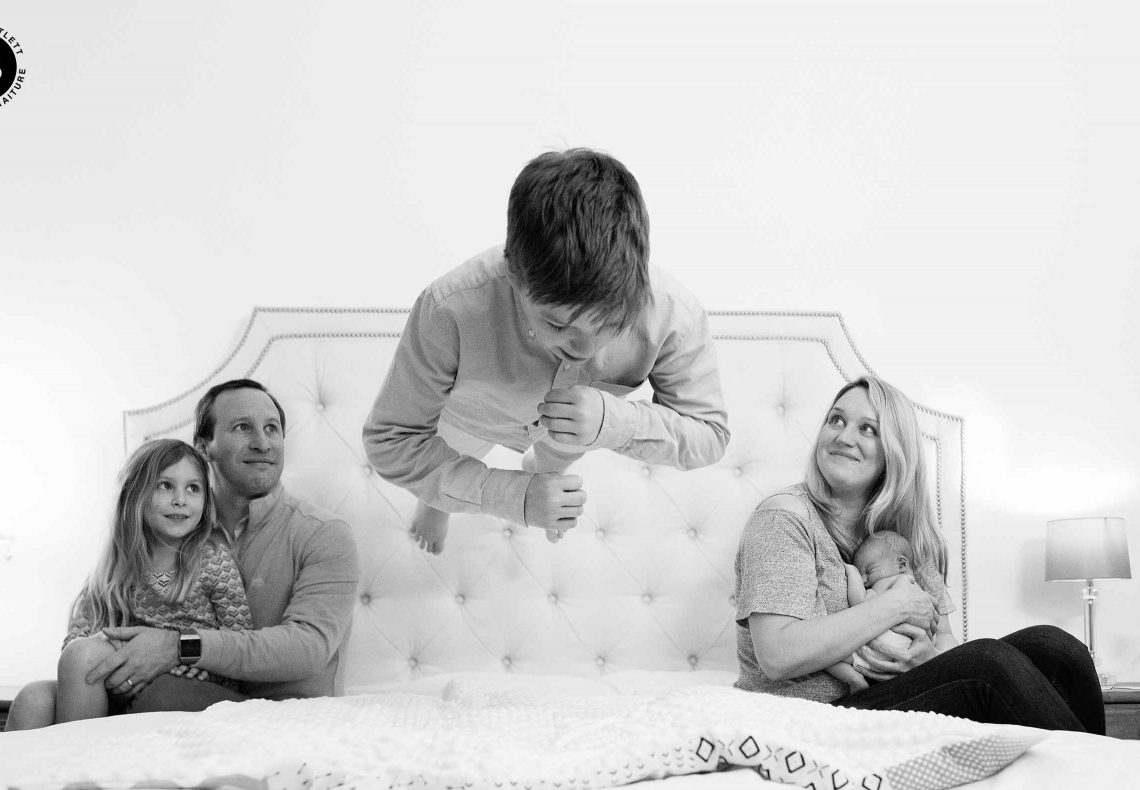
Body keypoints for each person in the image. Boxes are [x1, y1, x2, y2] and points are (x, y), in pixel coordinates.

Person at [363, 148, 730, 554]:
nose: (584, 348)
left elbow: (710, 435)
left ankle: (543, 473)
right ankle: (439, 504)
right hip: (472, 418)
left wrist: (614, 421)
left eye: (610, 322)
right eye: (557, 324)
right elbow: (390, 439)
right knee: (456, 456)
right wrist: (514, 497)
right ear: (512, 275)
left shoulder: (676, 315)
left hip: (578, 432)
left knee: (558, 458)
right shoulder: (448, 307)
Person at [734, 375, 1105, 733]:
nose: (844, 436)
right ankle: (1099, 782)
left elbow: (944, 639)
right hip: (815, 713)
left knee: (1057, 649)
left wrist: (928, 660)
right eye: (836, 419)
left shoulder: (903, 533)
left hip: (891, 693)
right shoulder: (784, 517)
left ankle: (1088, 778)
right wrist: (893, 607)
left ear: (895, 451)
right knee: (987, 664)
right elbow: (777, 655)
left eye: (868, 428)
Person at [7, 379, 360, 729]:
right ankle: (34, 782)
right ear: (205, 445)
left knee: (161, 698)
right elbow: (99, 610)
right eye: (243, 427)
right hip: (140, 685)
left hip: (272, 712)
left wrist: (177, 647)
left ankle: (81, 771)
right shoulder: (171, 527)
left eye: (272, 428)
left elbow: (308, 649)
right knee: (34, 699)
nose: (263, 443)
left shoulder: (323, 534)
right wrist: (112, 655)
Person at [41, 439, 254, 724]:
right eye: (165, 485)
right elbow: (74, 644)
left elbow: (238, 647)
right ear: (134, 494)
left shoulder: (213, 562)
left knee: (84, 657)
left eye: (193, 488)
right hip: (119, 683)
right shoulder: (113, 570)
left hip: (197, 685)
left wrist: (157, 668)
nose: (181, 499)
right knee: (34, 699)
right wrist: (121, 660)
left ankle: (79, 764)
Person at [824, 530, 916, 692]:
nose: (865, 580)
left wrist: (853, 573)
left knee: (825, 654)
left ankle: (854, 679)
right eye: (861, 575)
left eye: (869, 570)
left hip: (873, 654)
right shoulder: (919, 591)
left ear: (901, 564)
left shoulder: (890, 581)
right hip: (906, 659)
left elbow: (860, 602)